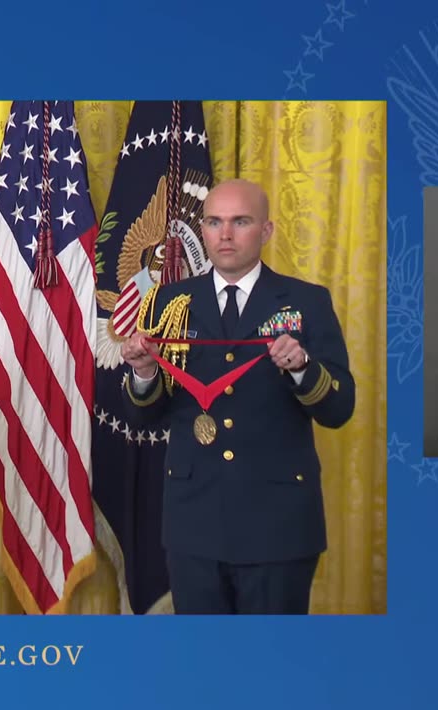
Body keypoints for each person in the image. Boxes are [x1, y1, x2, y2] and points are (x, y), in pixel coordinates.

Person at [119, 179, 355, 614]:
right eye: (214, 222)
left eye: (240, 222)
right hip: (196, 523)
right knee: (204, 667)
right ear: (203, 229)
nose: (225, 234)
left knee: (270, 668)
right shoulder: (169, 302)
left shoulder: (306, 302)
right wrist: (144, 371)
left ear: (266, 231)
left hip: (277, 524)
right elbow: (144, 419)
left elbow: (339, 409)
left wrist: (302, 368)